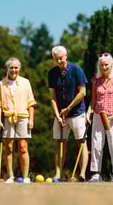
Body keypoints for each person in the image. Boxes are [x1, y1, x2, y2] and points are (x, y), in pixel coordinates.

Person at [48, 45, 88, 182]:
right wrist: (58, 115)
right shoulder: (52, 73)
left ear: (66, 56)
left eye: (61, 58)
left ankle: (82, 174)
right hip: (60, 115)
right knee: (60, 143)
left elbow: (83, 92)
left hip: (77, 113)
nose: (60, 61)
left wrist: (69, 108)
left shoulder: (77, 70)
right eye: (56, 59)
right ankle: (58, 174)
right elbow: (52, 97)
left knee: (81, 143)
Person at [88, 53, 113, 182]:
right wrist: (89, 112)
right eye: (101, 65)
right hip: (99, 115)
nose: (104, 67)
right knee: (96, 144)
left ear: (112, 65)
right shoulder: (95, 80)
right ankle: (96, 174)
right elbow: (93, 99)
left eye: (106, 65)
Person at [0, 57, 36, 183]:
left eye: (16, 67)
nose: (13, 70)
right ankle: (11, 176)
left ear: (19, 69)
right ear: (7, 69)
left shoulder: (26, 82)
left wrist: (31, 119)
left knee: (23, 147)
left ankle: (25, 177)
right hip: (8, 117)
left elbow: (31, 103)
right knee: (8, 147)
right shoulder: (1, 84)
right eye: (11, 67)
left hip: (23, 117)